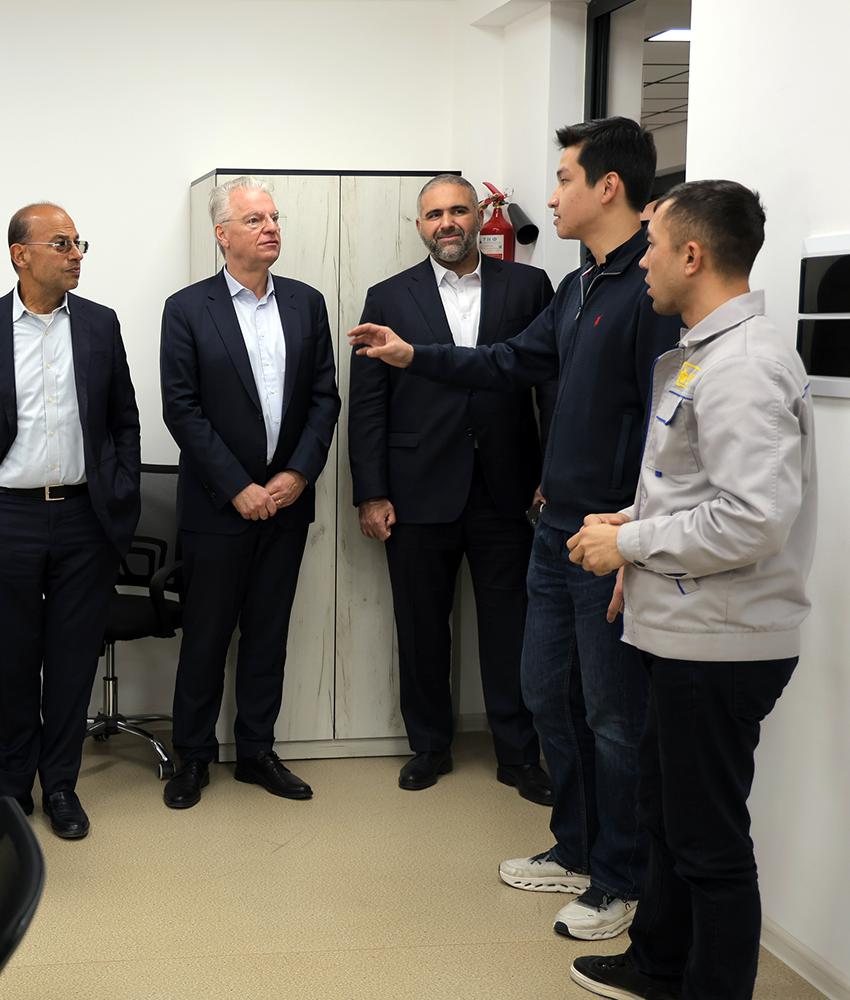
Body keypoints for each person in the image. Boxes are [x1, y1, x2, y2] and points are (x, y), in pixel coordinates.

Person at [349, 118, 682, 941]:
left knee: (611, 716)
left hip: (606, 533)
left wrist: (636, 529)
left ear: (608, 186)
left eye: (564, 178)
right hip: (553, 526)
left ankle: (619, 878)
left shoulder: (649, 288)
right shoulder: (578, 287)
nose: (551, 196)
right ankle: (576, 847)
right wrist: (412, 355)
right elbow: (509, 364)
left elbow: (666, 424)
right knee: (549, 694)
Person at [566, 180, 815, 1000]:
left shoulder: (744, 365)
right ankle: (658, 963)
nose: (643, 263)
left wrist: (631, 544)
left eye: (653, 245)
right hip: (684, 628)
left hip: (722, 643)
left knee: (708, 841)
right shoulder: (707, 352)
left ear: (693, 254)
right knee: (668, 817)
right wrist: (632, 527)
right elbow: (699, 488)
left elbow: (754, 520)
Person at [0, 203, 141, 840]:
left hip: (84, 520)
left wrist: (121, 493)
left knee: (72, 661)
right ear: (20, 255)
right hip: (5, 518)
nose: (76, 254)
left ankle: (61, 787)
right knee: (15, 659)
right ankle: (9, 789)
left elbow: (124, 420)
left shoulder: (101, 324)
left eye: (79, 243)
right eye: (61, 243)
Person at [348, 174, 556, 803]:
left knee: (511, 627)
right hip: (416, 489)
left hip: (509, 487)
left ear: (478, 217)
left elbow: (552, 386)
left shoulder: (529, 286)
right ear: (419, 226)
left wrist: (553, 475)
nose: (447, 223)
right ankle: (429, 746)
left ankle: (517, 754)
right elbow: (369, 402)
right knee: (420, 627)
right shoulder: (388, 296)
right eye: (434, 214)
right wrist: (371, 492)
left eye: (458, 210)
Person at [159, 175, 340, 809]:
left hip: (286, 505)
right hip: (218, 508)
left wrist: (298, 474)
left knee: (268, 634)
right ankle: (193, 757)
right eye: (255, 219)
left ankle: (257, 751)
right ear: (222, 234)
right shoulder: (187, 308)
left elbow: (324, 398)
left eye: (274, 217)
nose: (271, 228)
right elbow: (181, 409)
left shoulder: (307, 303)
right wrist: (238, 486)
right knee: (206, 637)